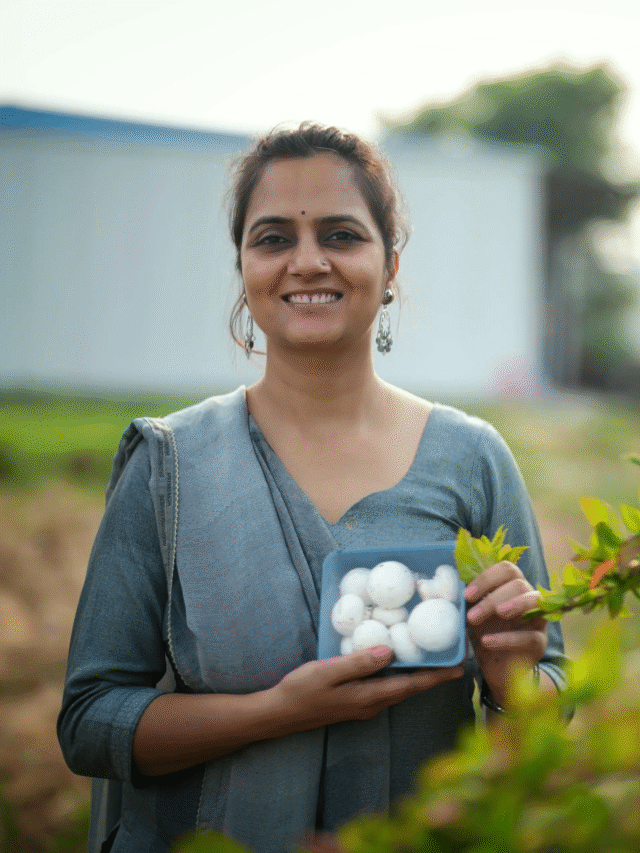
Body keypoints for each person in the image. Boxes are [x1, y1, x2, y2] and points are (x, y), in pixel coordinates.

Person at [58, 122, 569, 853]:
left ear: (390, 266)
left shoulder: (471, 458)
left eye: (341, 235)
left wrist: (512, 677)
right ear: (243, 267)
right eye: (272, 239)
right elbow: (90, 722)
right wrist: (278, 711)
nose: (306, 261)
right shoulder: (170, 465)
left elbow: (547, 705)